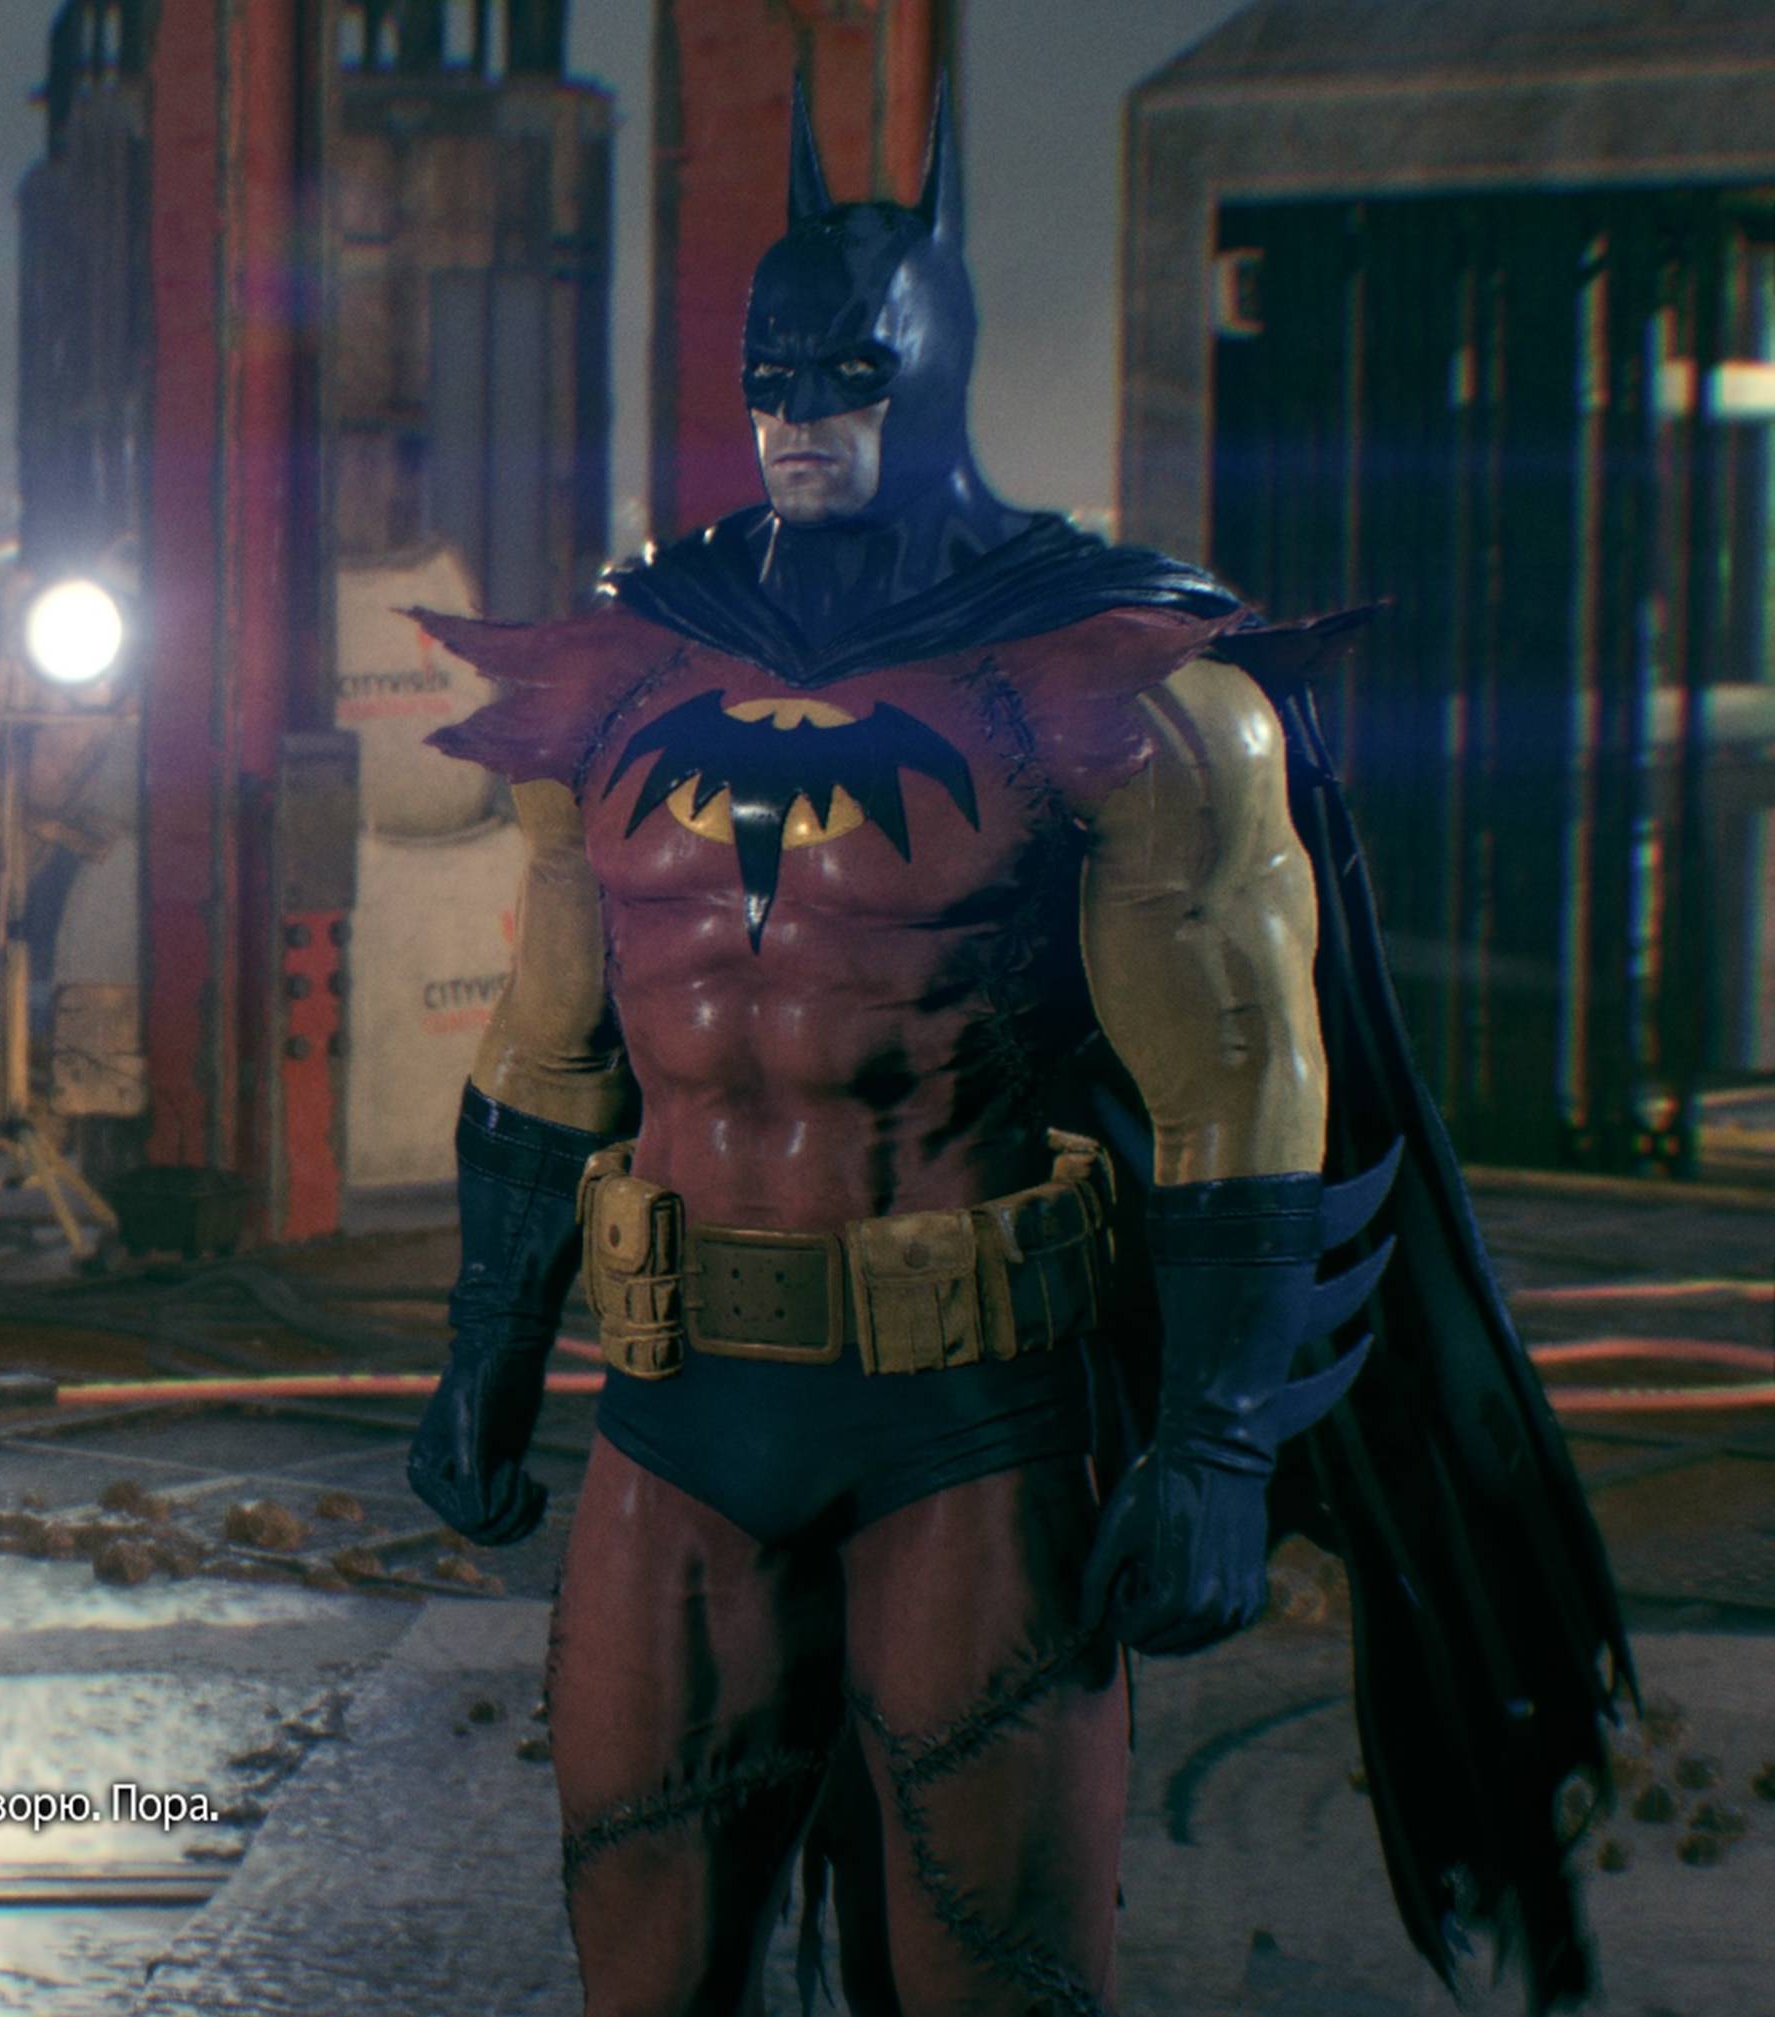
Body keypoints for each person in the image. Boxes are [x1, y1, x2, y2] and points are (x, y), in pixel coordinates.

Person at [402, 79, 1629, 2017]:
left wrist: (1214, 1442)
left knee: (993, 1978)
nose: (802, 418)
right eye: (774, 379)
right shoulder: (624, 672)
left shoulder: (1110, 689)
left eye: (851, 378)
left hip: (968, 1419)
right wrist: (487, 1342)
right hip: (679, 1404)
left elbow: (1236, 1083)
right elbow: (554, 1035)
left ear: (935, 379)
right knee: (644, 1965)